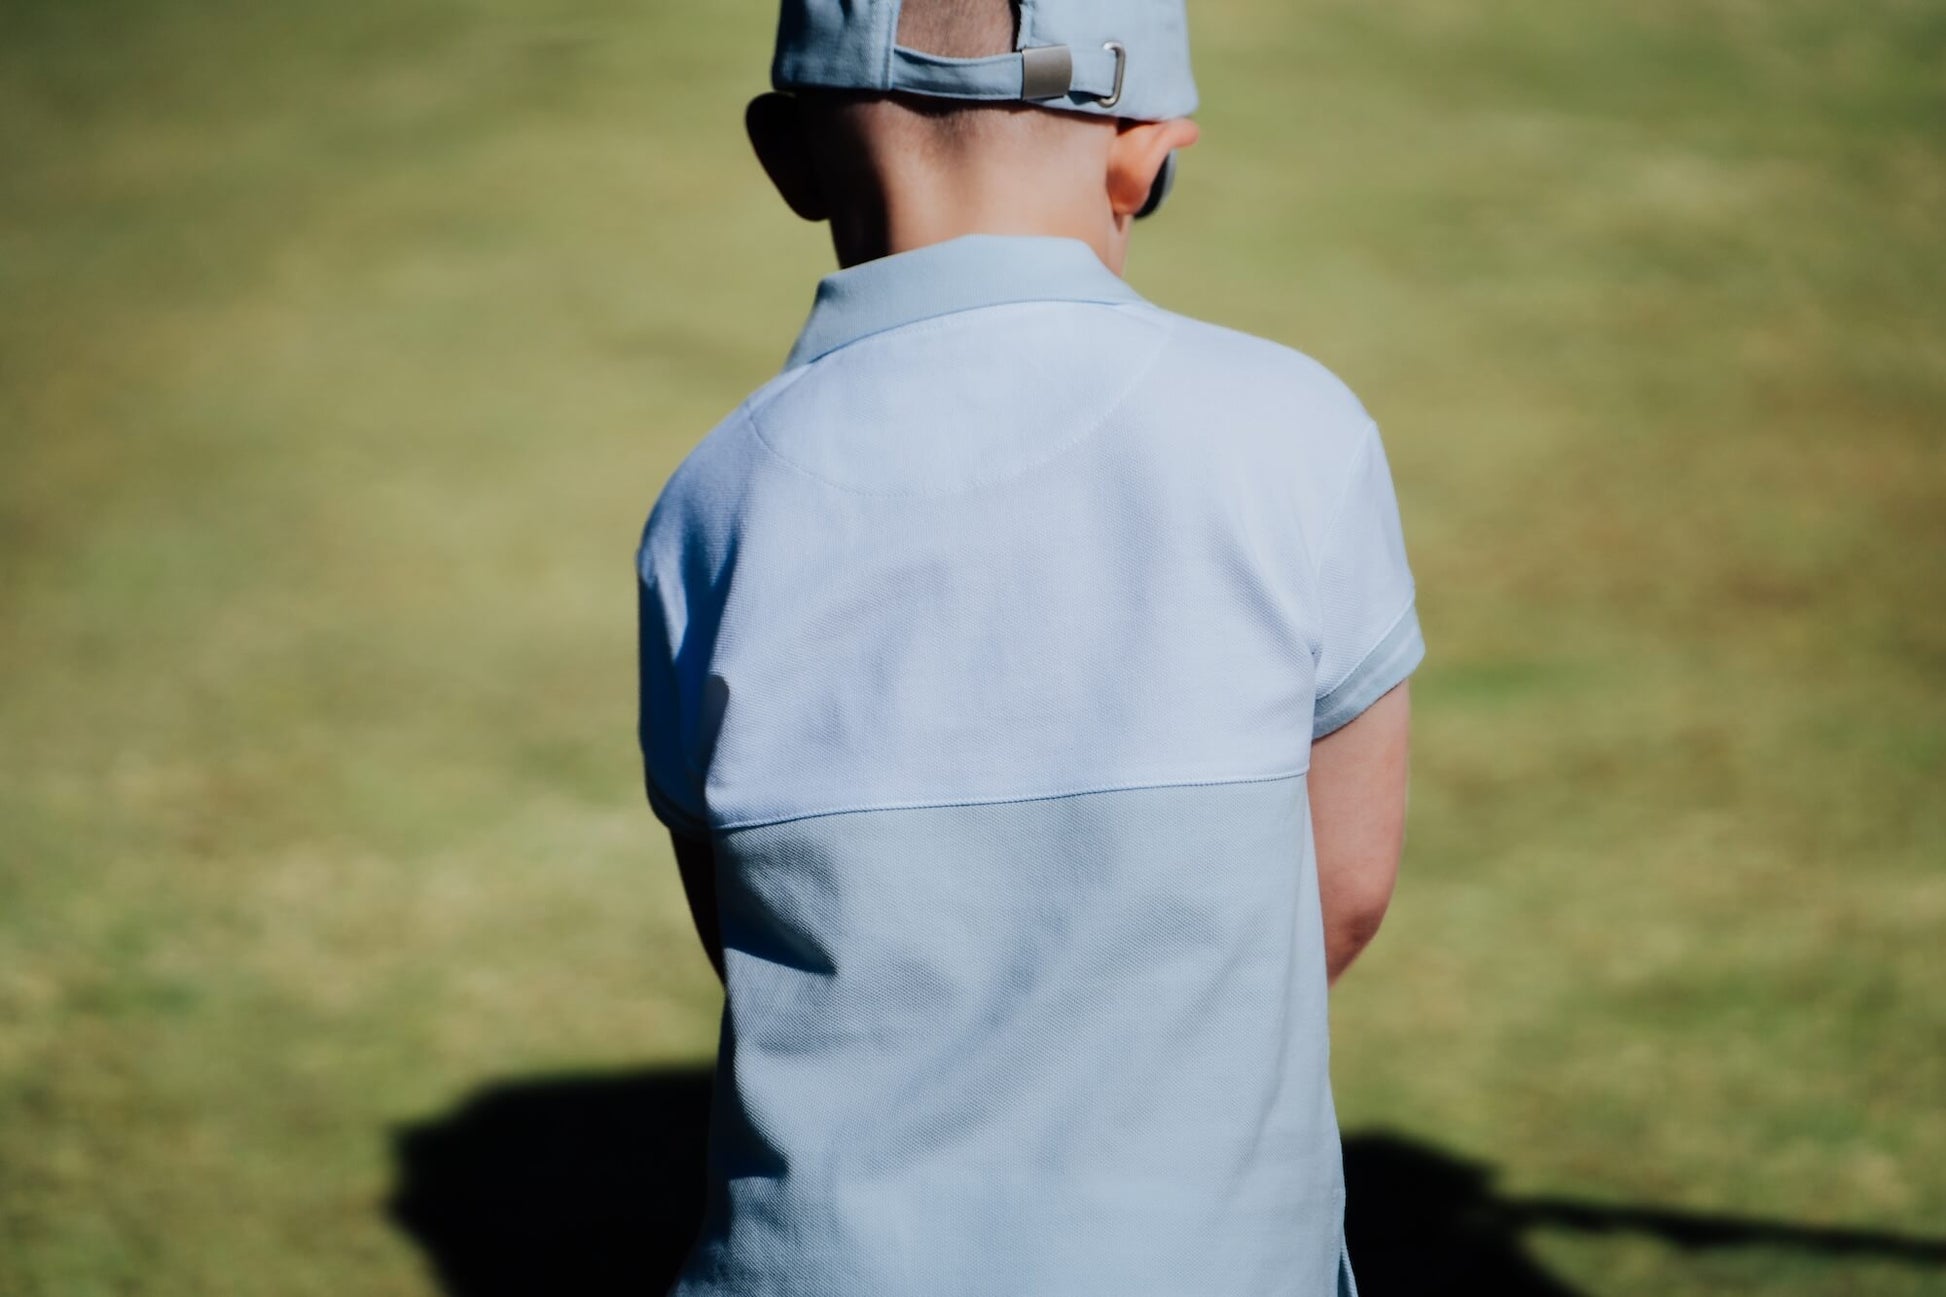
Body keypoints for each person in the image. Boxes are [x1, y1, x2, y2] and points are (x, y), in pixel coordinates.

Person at [636, 1, 1423, 1293]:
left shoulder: (713, 496)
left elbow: (740, 925)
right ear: (1144, 158)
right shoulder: (1289, 426)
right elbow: (1335, 895)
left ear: (783, 154)